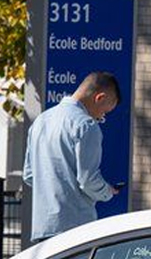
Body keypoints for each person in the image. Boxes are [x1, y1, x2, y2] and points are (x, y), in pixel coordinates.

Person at [22, 71, 120, 242]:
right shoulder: (86, 125)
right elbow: (88, 180)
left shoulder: (40, 121)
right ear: (100, 97)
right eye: (105, 111)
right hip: (75, 228)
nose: (101, 117)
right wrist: (107, 192)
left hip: (43, 227)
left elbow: (29, 175)